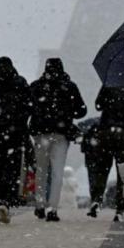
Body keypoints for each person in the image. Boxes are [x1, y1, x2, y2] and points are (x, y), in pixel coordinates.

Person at [29, 58, 86, 222]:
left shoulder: (36, 87)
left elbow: (28, 107)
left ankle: (39, 205)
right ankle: (53, 209)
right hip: (60, 135)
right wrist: (67, 113)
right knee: (57, 172)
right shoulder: (69, 87)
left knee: (41, 170)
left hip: (40, 134)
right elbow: (81, 110)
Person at [0, 56, 32, 223]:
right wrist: (18, 122)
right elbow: (29, 106)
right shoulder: (20, 83)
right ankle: (6, 201)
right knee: (11, 170)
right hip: (15, 135)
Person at [84, 86, 124, 221]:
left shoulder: (108, 83)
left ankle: (96, 198)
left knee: (102, 169)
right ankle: (120, 208)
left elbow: (98, 105)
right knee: (123, 172)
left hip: (105, 132)